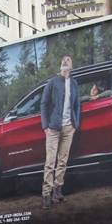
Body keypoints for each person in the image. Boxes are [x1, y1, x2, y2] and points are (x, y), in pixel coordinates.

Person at [39, 55, 81, 208]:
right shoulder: (52, 82)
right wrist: (45, 126)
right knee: (50, 162)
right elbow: (43, 104)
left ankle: (57, 190)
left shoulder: (74, 84)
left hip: (69, 127)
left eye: (68, 60)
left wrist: (76, 123)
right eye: (63, 60)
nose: (65, 61)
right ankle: (46, 195)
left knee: (62, 161)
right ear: (61, 65)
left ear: (71, 65)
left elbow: (77, 105)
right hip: (53, 128)